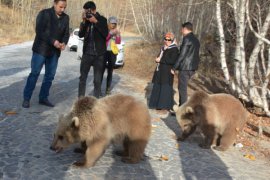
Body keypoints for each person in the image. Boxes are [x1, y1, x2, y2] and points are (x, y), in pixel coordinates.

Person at [22, 0, 69, 108]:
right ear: (55, 4)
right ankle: (26, 98)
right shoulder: (44, 14)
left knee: (50, 76)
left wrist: (64, 43)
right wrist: (53, 41)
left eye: (64, 7)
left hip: (55, 52)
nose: (62, 9)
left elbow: (66, 33)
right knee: (35, 73)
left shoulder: (66, 18)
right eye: (61, 7)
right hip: (40, 50)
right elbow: (39, 31)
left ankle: (43, 98)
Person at [78, 1, 108, 98]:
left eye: (88, 11)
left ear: (93, 10)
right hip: (87, 53)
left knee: (97, 80)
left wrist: (95, 22)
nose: (87, 13)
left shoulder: (102, 19)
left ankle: (96, 100)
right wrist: (83, 22)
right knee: (82, 78)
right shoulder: (85, 21)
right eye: (85, 11)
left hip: (99, 55)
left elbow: (105, 34)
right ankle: (80, 100)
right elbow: (80, 34)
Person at [149, 32, 179, 113]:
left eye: (169, 40)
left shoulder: (174, 49)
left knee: (165, 88)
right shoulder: (163, 48)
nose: (166, 41)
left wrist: (160, 60)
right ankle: (156, 104)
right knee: (157, 86)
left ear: (172, 40)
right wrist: (157, 58)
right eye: (165, 39)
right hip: (160, 70)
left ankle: (164, 106)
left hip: (167, 71)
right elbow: (160, 56)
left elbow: (172, 60)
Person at [171, 22, 200, 106]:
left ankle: (182, 110)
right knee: (183, 89)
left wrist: (174, 68)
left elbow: (182, 55)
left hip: (185, 68)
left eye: (182, 29)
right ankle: (183, 107)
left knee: (182, 89)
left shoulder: (187, 38)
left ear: (185, 29)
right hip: (192, 68)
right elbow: (193, 54)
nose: (181, 31)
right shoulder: (196, 39)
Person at [103, 16, 121, 95]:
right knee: (101, 70)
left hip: (112, 53)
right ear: (108, 23)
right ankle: (98, 88)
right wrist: (110, 33)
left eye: (114, 23)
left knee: (110, 71)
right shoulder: (105, 30)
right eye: (112, 23)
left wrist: (118, 35)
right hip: (104, 52)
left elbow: (118, 42)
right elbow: (105, 39)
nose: (113, 25)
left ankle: (107, 89)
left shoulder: (116, 31)